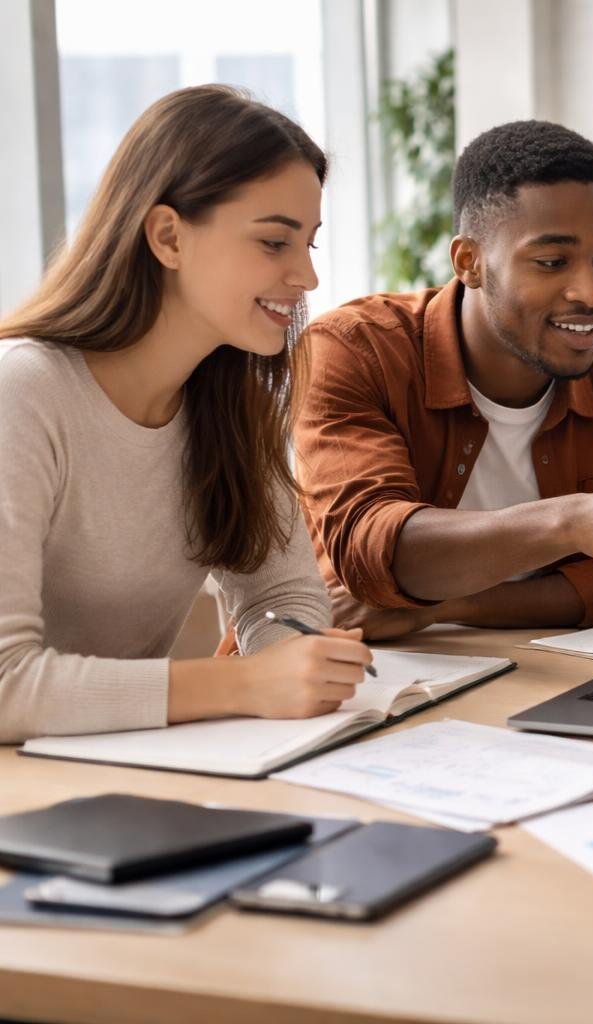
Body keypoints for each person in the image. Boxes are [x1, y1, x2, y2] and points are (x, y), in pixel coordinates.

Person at [0, 85, 372, 744]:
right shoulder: (20, 394)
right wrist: (248, 685)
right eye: (274, 242)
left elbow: (280, 596)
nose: (307, 277)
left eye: (309, 244)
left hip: (117, 772)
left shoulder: (224, 402)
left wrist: (299, 657)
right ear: (168, 236)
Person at [295, 120, 593, 640]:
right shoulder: (356, 349)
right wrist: (576, 521)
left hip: (533, 664)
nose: (592, 293)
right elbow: (377, 556)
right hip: (357, 672)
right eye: (552, 262)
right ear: (470, 262)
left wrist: (451, 606)